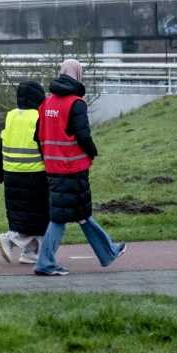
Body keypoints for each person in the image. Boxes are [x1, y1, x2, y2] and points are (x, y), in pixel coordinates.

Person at [32, 59, 128, 277]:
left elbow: (38, 136)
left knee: (80, 212)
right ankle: (45, 263)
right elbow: (83, 136)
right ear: (78, 75)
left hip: (53, 167)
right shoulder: (77, 104)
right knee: (60, 216)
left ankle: (108, 252)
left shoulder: (46, 103)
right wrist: (92, 151)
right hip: (72, 167)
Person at [0, 80, 49, 265]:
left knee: (23, 213)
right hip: (35, 173)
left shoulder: (11, 115)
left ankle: (30, 253)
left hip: (11, 172)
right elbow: (44, 146)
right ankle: (11, 239)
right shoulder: (39, 117)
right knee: (39, 216)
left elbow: (3, 143)